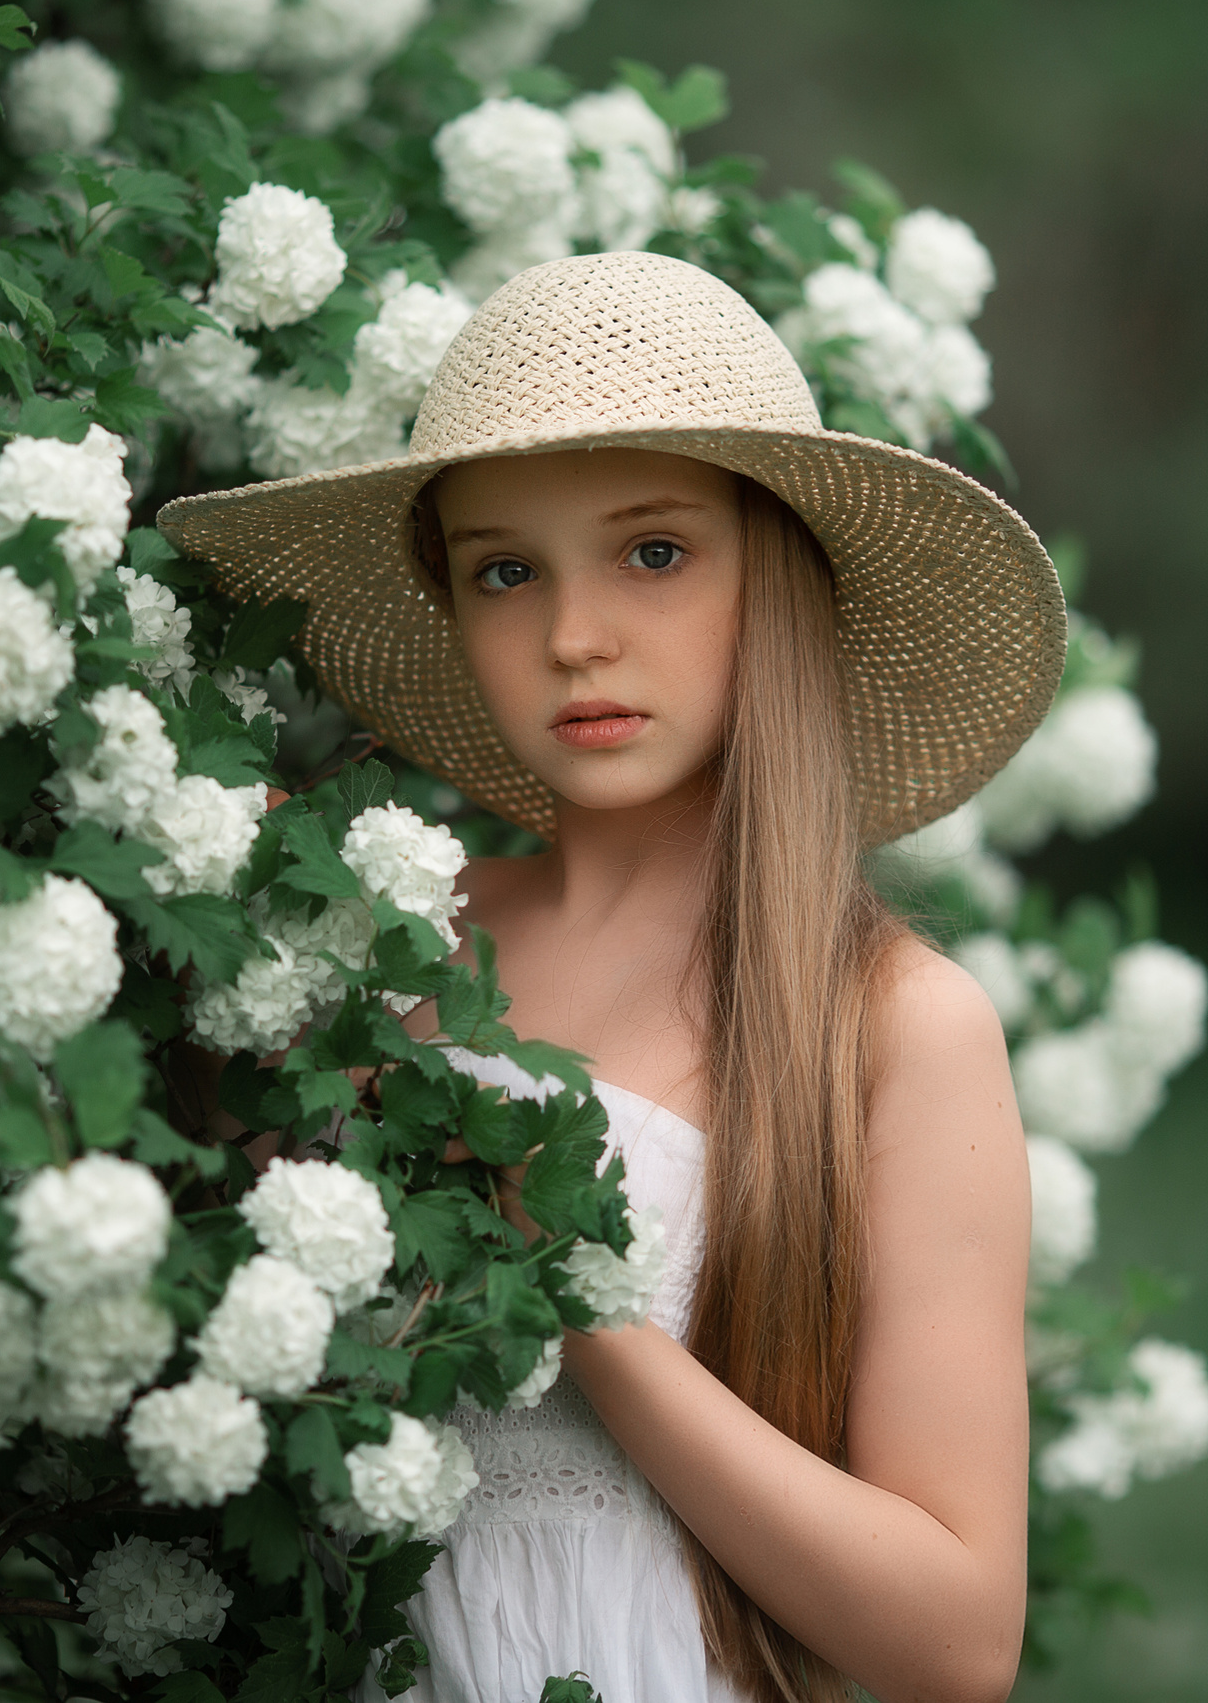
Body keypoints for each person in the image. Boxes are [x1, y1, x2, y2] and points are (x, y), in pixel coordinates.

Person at [161, 251, 1066, 1703]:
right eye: (505, 571)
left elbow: (957, 1643)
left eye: (653, 552)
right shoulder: (383, 937)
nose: (575, 637)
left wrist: (566, 1288)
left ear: (773, 575)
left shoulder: (894, 1027)